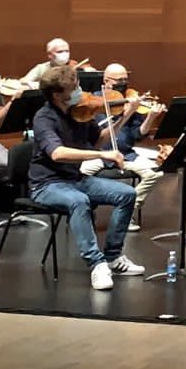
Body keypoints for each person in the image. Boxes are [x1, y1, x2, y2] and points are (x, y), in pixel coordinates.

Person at [28, 66, 144, 291]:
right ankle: (96, 263)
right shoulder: (44, 118)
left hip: (75, 179)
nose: (79, 91)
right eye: (74, 88)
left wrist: (125, 115)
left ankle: (112, 257)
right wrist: (102, 155)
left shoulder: (79, 111)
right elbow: (58, 153)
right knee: (79, 201)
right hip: (47, 184)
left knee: (127, 194)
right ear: (57, 95)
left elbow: (98, 141)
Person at [85, 63, 166, 231]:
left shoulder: (132, 99)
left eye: (125, 80)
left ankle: (126, 211)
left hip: (126, 154)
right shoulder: (95, 101)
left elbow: (138, 135)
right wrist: (127, 113)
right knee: (79, 175)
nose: (123, 83)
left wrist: (150, 117)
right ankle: (85, 211)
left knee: (155, 173)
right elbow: (99, 135)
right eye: (119, 80)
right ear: (106, 81)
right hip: (99, 155)